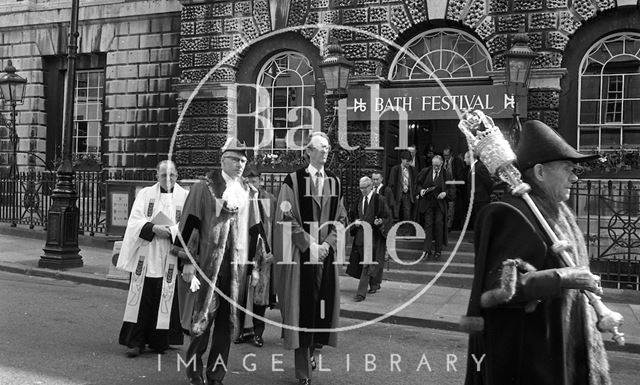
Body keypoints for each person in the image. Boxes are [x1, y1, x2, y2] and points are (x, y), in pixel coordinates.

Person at [464, 120, 610, 385]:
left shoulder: (559, 212)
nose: (575, 177)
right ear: (540, 172)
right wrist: (563, 278)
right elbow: (495, 291)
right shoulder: (509, 213)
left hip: (570, 350)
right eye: (568, 169)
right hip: (534, 363)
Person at [170, 138, 254, 385]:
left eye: (243, 160)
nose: (239, 164)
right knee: (202, 320)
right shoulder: (203, 187)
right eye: (234, 159)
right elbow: (190, 225)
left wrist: (256, 266)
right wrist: (186, 262)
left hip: (236, 267)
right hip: (208, 266)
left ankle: (216, 374)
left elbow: (254, 229)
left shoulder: (247, 190)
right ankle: (194, 371)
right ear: (222, 160)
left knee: (226, 325)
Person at [273, 131, 348, 385]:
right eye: (320, 147)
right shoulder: (293, 180)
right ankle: (303, 373)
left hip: (325, 258)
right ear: (308, 151)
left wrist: (327, 244)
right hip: (301, 257)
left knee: (322, 311)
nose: (325, 151)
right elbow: (285, 215)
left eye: (327, 147)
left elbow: (341, 219)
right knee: (302, 314)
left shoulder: (335, 182)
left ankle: (315, 352)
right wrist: (309, 244)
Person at [117, 160, 189, 357]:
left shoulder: (185, 196)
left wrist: (171, 231)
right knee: (142, 298)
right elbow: (134, 221)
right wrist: (153, 228)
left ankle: (160, 341)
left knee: (164, 296)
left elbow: (188, 224)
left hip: (169, 253)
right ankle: (136, 341)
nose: (168, 179)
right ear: (156, 175)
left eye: (172, 175)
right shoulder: (145, 193)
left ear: (177, 175)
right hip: (147, 253)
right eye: (163, 175)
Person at [234, 163, 278, 348]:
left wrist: (274, 251)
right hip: (244, 252)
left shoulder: (271, 200)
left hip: (264, 257)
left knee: (260, 297)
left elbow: (277, 227)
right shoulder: (238, 199)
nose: (252, 183)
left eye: (255, 179)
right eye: (248, 179)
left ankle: (258, 333)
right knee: (242, 294)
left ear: (260, 181)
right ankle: (241, 331)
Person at [346, 176, 391, 302]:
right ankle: (375, 284)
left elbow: (388, 217)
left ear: (371, 186)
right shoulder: (358, 200)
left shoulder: (379, 200)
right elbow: (353, 215)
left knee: (367, 264)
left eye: (365, 188)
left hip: (374, 237)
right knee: (365, 262)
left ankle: (361, 293)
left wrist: (380, 221)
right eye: (361, 188)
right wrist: (355, 222)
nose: (363, 190)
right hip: (361, 237)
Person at [414, 155, 453, 261]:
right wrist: (421, 191)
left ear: (441, 164)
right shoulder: (425, 171)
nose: (435, 167)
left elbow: (452, 189)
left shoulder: (446, 174)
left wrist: (445, 193)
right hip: (428, 203)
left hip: (440, 204)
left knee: (439, 224)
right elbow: (417, 184)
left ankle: (438, 250)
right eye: (434, 165)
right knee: (428, 225)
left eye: (437, 165)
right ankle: (426, 250)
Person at [463, 151, 494, 230]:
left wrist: (485, 194)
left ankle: (482, 239)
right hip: (475, 199)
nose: (464, 160)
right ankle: (478, 238)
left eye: (465, 158)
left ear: (470, 158)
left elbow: (488, 182)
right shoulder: (472, 167)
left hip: (481, 199)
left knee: (481, 219)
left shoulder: (480, 167)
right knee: (477, 219)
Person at [387, 150, 416, 222]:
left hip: (407, 194)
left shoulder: (412, 170)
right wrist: (391, 197)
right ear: (402, 159)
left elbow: (415, 182)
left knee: (407, 215)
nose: (409, 163)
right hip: (397, 194)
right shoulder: (395, 169)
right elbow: (391, 184)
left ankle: (407, 231)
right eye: (407, 161)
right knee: (395, 214)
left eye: (410, 161)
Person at [442, 146, 466, 230]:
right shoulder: (442, 161)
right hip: (444, 185)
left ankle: (449, 225)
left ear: (451, 154)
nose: (446, 157)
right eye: (444, 155)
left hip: (453, 185)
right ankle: (444, 223)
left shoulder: (457, 161)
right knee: (444, 205)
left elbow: (460, 174)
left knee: (451, 205)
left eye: (447, 155)